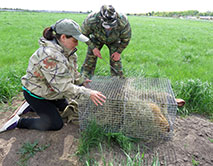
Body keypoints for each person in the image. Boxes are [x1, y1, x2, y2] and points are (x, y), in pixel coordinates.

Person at [0, 18, 106, 133]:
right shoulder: (49, 56)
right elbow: (62, 87)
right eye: (75, 40)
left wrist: (81, 81)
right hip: (36, 93)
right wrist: (88, 93)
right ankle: (18, 121)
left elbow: (72, 72)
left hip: (51, 90)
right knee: (55, 123)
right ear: (63, 37)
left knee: (66, 108)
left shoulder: (68, 52)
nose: (77, 44)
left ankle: (31, 106)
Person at [80, 5, 131, 79]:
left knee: (115, 59)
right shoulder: (91, 19)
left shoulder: (122, 20)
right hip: (97, 38)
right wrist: (93, 47)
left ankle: (118, 80)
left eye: (112, 25)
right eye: (107, 25)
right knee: (90, 58)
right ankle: (84, 79)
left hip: (114, 39)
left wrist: (118, 52)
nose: (109, 28)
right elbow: (83, 35)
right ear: (101, 18)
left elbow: (126, 39)